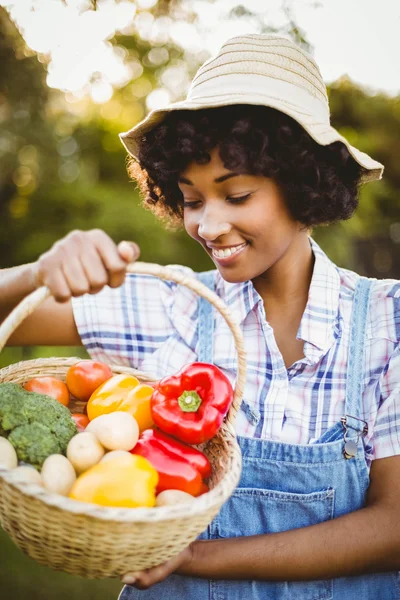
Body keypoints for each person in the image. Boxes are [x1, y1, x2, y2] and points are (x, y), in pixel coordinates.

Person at [1, 34, 400, 599]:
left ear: (304, 188)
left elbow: (394, 527)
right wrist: (37, 273)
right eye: (192, 200)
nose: (208, 226)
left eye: (236, 196)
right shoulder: (175, 303)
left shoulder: (390, 321)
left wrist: (193, 557)